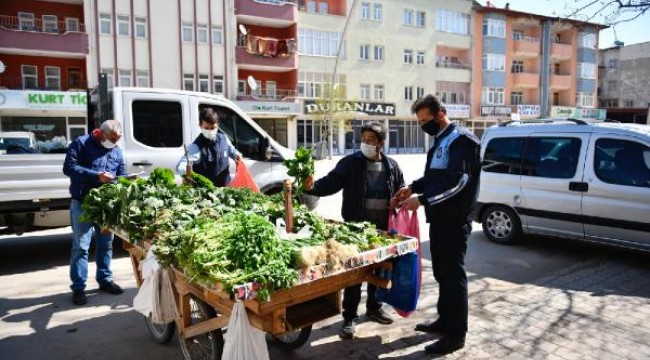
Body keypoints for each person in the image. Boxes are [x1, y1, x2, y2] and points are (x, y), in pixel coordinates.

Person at [391, 95, 481, 355]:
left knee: (453, 275)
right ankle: (445, 321)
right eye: (419, 122)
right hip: (440, 219)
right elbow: (435, 177)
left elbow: (459, 181)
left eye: (425, 121)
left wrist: (423, 199)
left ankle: (456, 335)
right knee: (442, 273)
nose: (423, 127)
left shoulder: (462, 140)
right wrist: (413, 188)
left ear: (440, 114)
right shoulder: (441, 140)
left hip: (455, 220)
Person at [303, 121, 405, 340]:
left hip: (382, 231)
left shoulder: (392, 166)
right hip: (355, 230)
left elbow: (400, 191)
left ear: (381, 143)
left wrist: (402, 200)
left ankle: (374, 307)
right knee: (355, 275)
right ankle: (349, 317)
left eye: (371, 140)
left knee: (379, 271)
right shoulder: (350, 163)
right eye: (364, 139)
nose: (366, 143)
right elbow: (331, 183)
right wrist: (311, 187)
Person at [63, 120, 128, 305]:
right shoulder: (81, 143)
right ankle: (78, 288)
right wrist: (96, 175)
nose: (114, 144)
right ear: (100, 133)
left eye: (118, 140)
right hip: (83, 203)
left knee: (106, 244)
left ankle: (105, 280)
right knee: (81, 247)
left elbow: (120, 175)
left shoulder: (116, 150)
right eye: (112, 139)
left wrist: (125, 181)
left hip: (105, 206)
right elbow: (69, 167)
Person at [177, 107, 241, 186]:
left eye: (213, 128)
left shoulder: (223, 138)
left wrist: (236, 155)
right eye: (207, 128)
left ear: (218, 125)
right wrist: (186, 173)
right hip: (206, 193)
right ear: (200, 125)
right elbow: (181, 165)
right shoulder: (196, 147)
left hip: (225, 190)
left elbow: (231, 150)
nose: (210, 131)